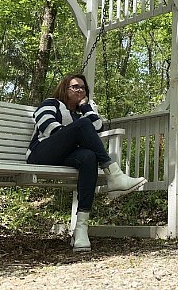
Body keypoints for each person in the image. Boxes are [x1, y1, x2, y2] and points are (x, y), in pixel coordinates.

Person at [26, 73, 147, 252]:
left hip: (65, 157)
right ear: (64, 89)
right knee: (83, 127)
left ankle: (81, 229)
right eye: (75, 87)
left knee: (89, 156)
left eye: (83, 88)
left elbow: (98, 127)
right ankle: (114, 174)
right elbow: (49, 128)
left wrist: (86, 107)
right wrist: (77, 134)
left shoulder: (79, 115)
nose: (80, 90)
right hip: (41, 153)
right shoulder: (50, 104)